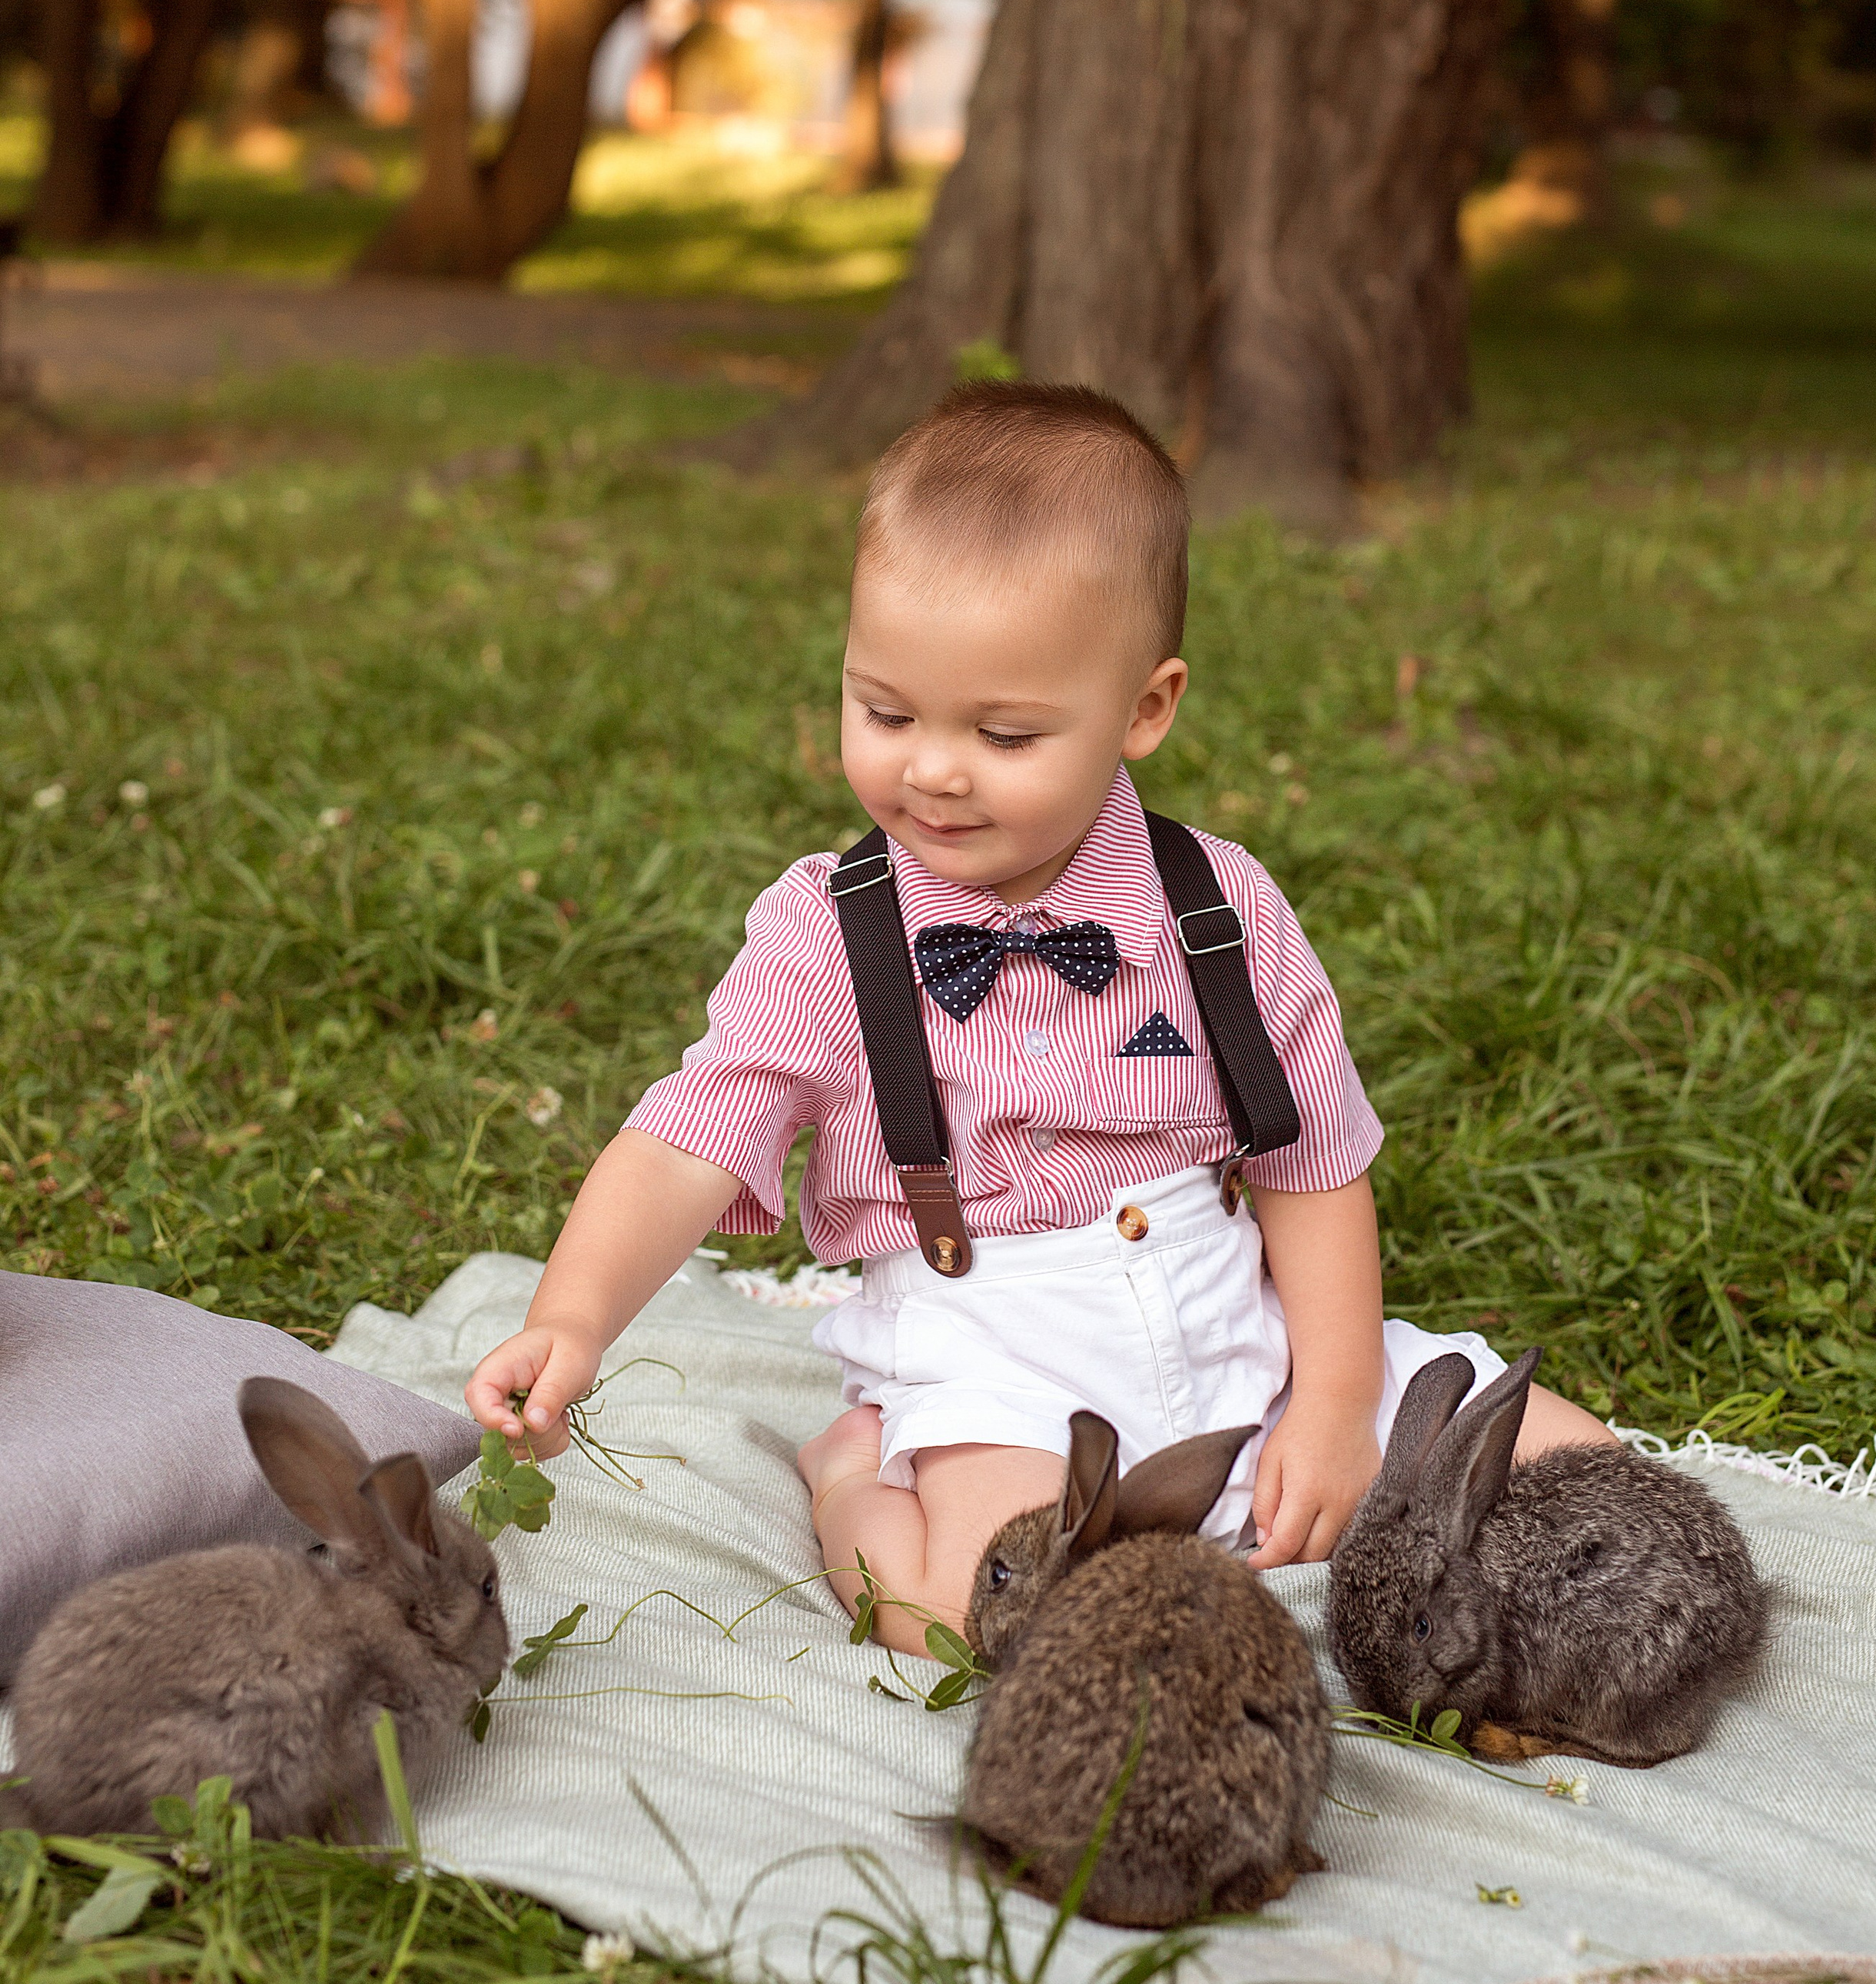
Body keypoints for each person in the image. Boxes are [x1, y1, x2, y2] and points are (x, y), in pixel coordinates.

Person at [465, 382, 1613, 1654]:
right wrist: (569, 1318)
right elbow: (690, 1141)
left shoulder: (1217, 909)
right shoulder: (825, 932)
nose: (935, 767)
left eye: (1005, 734)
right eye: (884, 711)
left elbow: (1311, 1164)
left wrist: (1336, 1402)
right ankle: (857, 1480)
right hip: (994, 1352)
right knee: (975, 1615)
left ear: (1145, 710)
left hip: (1238, 1316)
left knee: (1585, 1477)